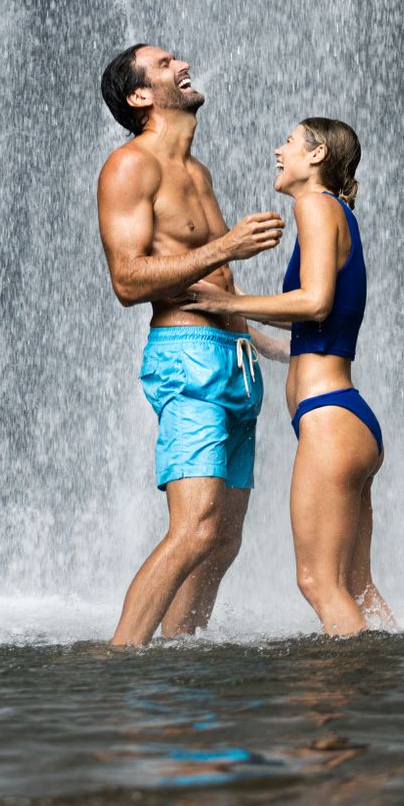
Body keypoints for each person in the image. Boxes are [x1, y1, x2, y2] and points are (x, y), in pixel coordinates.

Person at [95, 44, 287, 647]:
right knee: (194, 528)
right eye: (164, 64)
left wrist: (272, 343)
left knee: (222, 541)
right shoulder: (129, 166)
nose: (181, 65)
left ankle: (180, 657)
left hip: (236, 363)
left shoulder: (197, 171)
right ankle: (118, 660)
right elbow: (128, 281)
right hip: (186, 358)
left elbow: (214, 284)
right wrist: (227, 246)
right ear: (140, 96)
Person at [185, 118, 395, 636]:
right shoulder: (339, 212)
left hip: (329, 421)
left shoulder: (316, 205)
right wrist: (253, 332)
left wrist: (229, 302)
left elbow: (316, 302)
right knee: (356, 586)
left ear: (317, 155)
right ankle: (392, 678)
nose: (278, 152)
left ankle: (343, 690)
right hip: (348, 419)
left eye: (289, 142)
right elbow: (316, 328)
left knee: (318, 582)